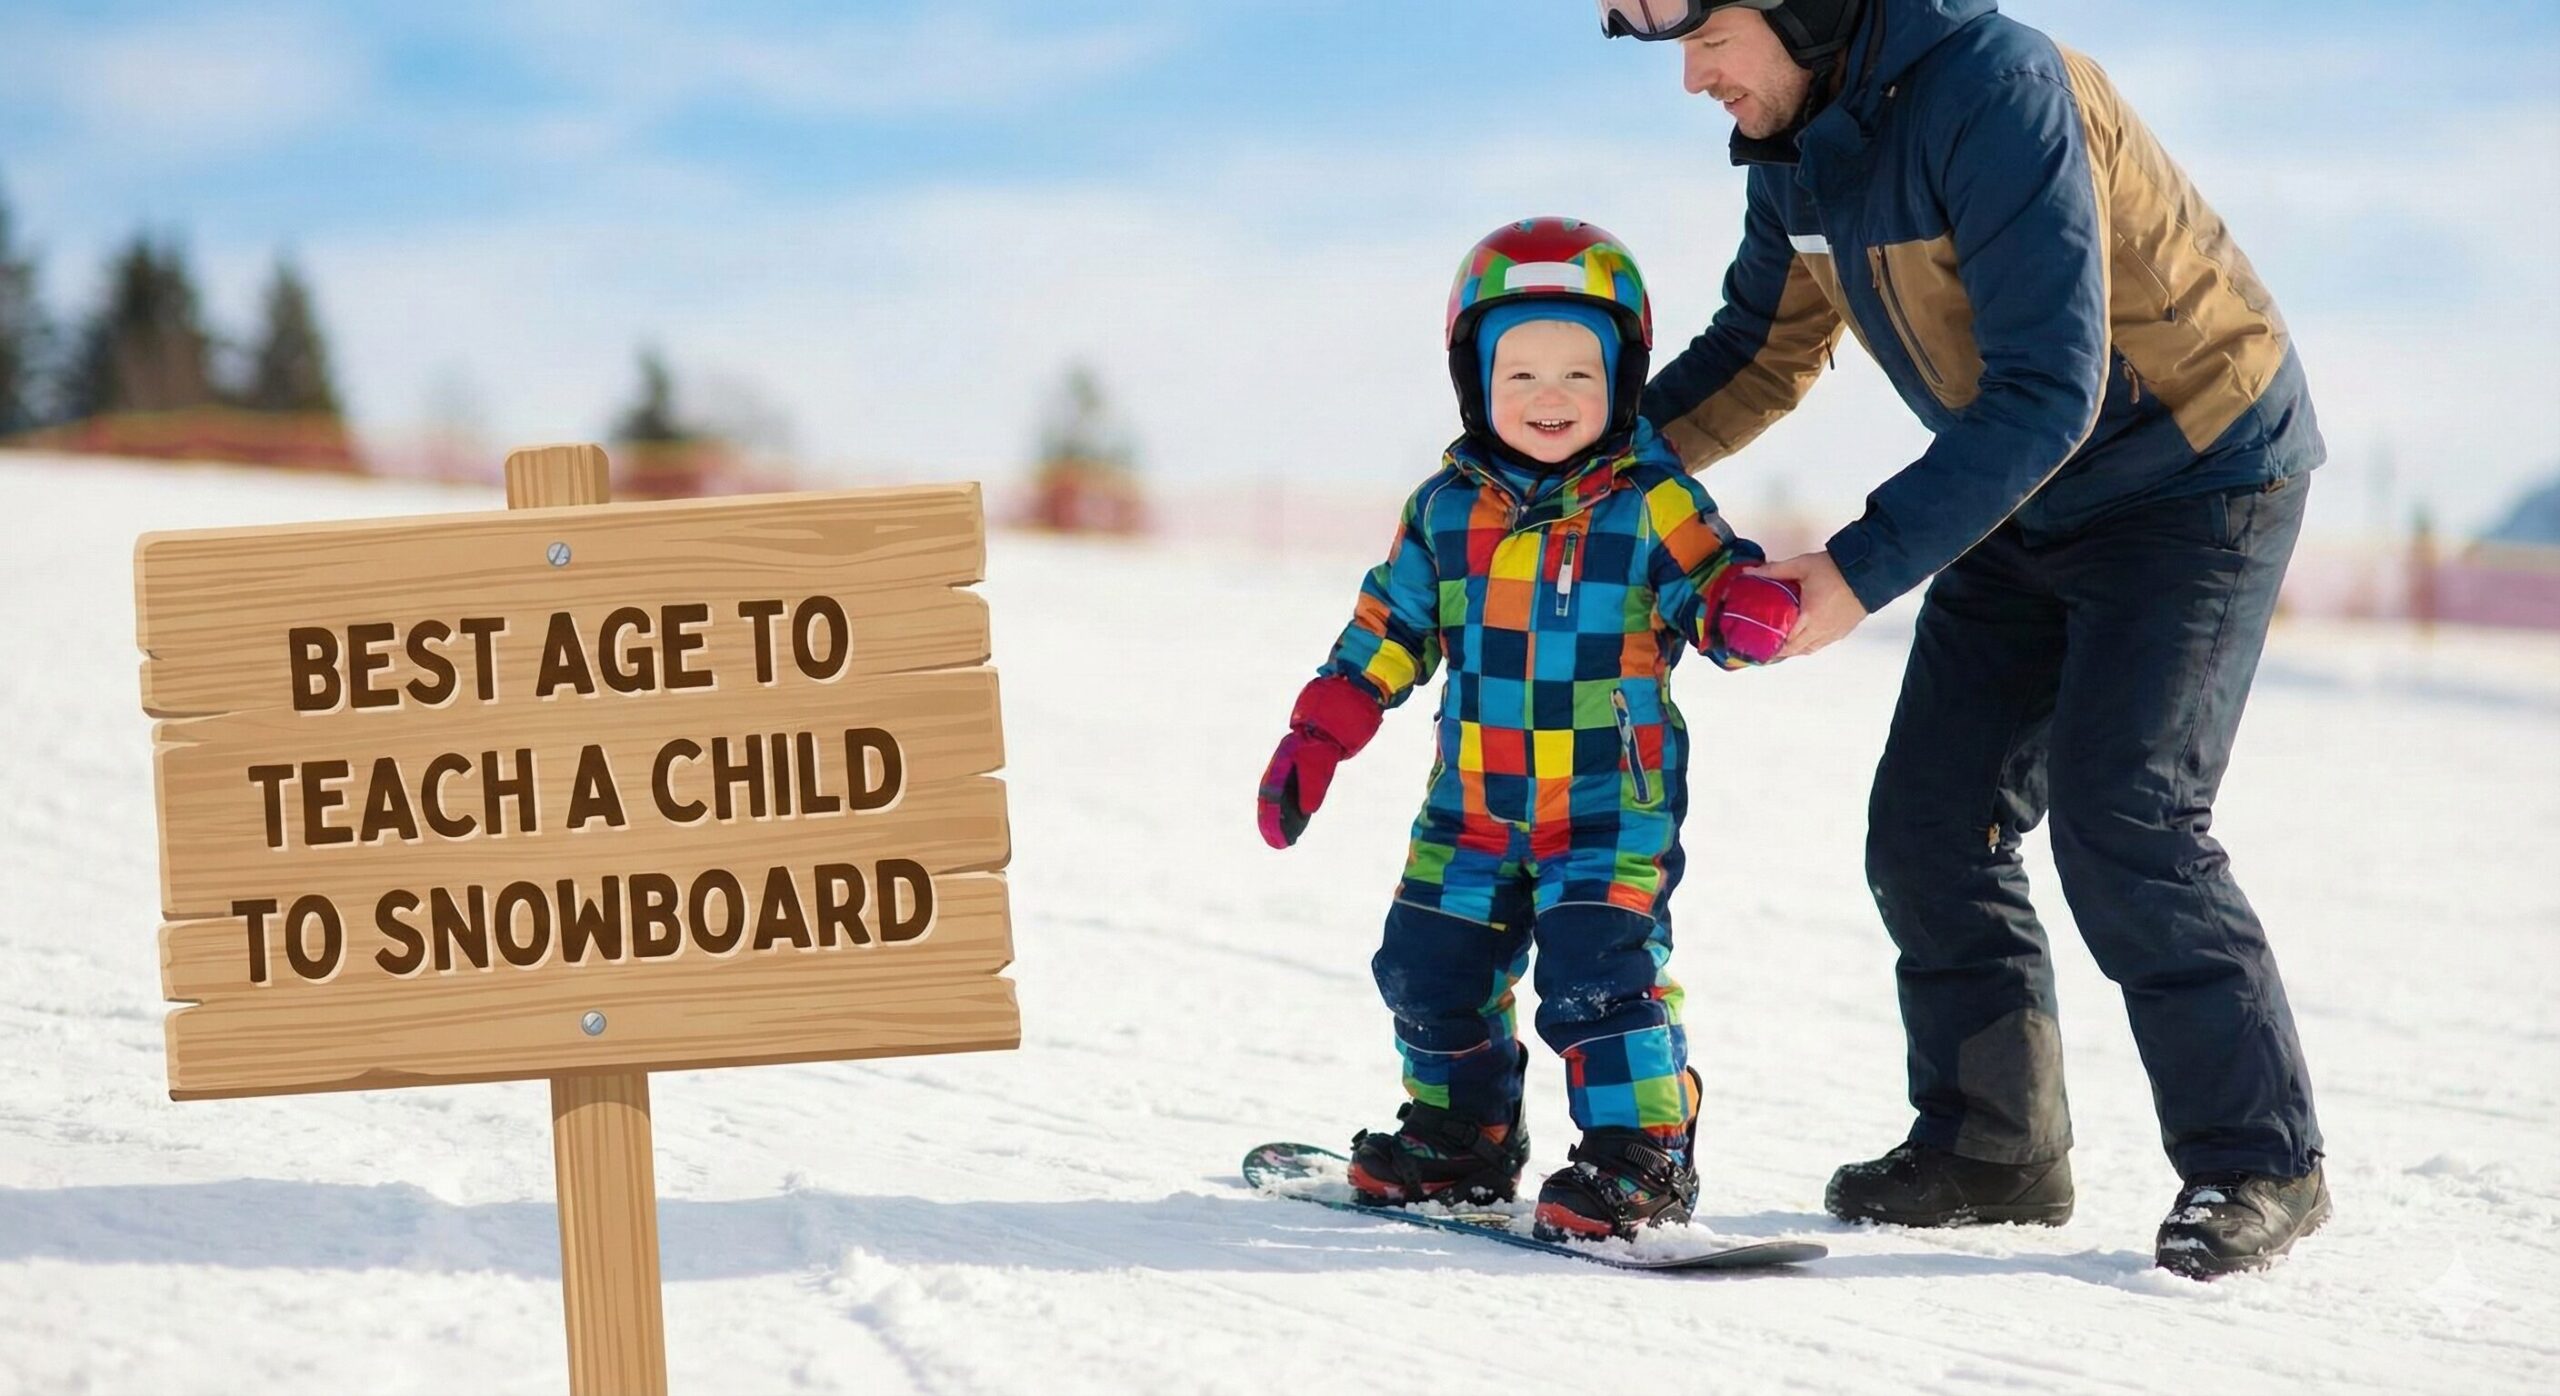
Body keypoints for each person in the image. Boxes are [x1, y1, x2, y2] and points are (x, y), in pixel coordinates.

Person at [1594, 0, 2330, 1277]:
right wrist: (1575, 480)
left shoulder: (1995, 88)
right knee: (1932, 820)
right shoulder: (1798, 143)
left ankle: (2258, 1160)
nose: (1692, 80)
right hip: (2024, 478)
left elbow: (2050, 385)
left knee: (2126, 813)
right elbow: (1757, 349)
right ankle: (1994, 1147)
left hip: (2191, 470)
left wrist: (1853, 571)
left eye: (1705, 40)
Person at [1255, 216, 1802, 1241]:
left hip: (1607, 808)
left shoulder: (1653, 503)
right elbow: (1390, 627)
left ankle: (1641, 1154)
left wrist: (1741, 608)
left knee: (1600, 976)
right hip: (1468, 807)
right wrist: (1321, 732)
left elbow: (1710, 584)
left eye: (1578, 374)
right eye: (1520, 375)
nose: (1551, 397)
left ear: (1622, 382)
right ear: (1474, 382)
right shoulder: (1442, 512)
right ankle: (1463, 1136)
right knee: (1427, 967)